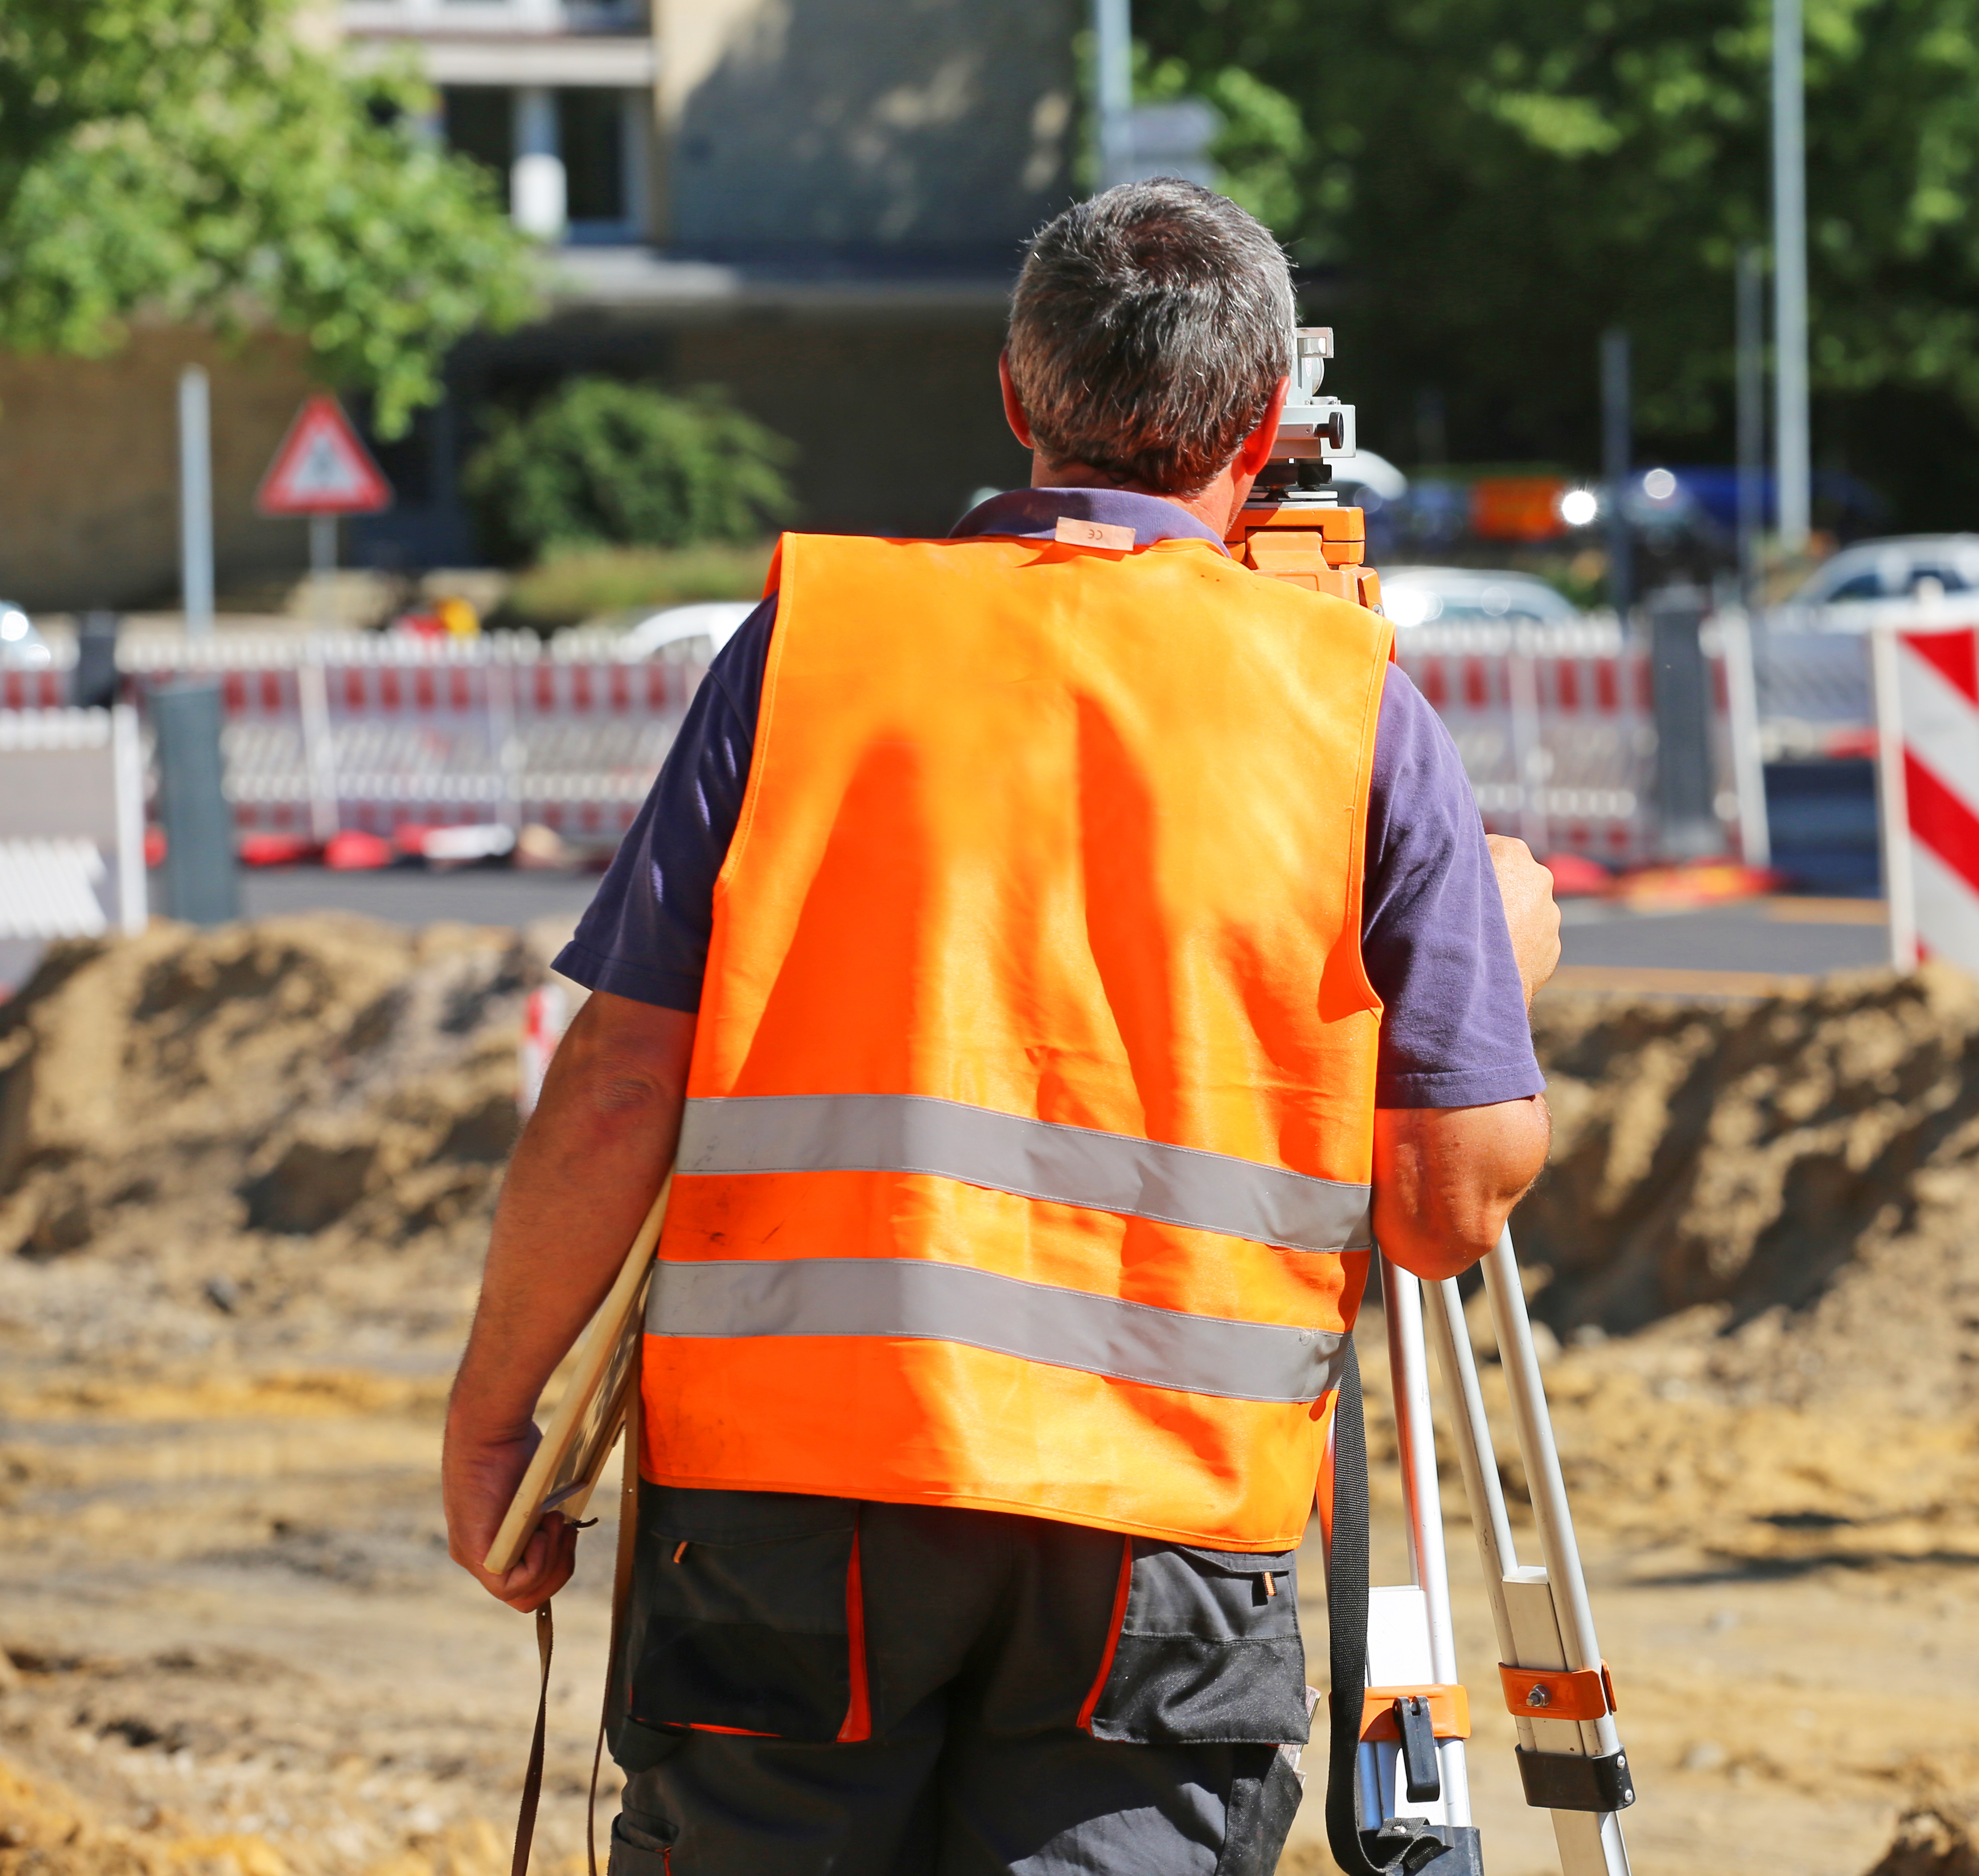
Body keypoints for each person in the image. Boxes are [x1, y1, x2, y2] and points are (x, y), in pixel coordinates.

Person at [441, 179, 1564, 1875]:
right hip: (1164, 1536)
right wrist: (1498, 958)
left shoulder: (811, 655)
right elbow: (1445, 1200)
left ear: (1015, 397)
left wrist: (494, 1415)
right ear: (1269, 423)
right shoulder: (1351, 714)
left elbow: (614, 1087)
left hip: (796, 1499)